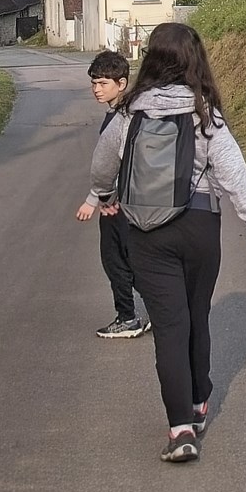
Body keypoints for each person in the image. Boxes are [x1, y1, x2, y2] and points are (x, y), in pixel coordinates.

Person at [75, 20, 246, 462]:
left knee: (169, 327)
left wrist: (104, 195)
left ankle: (180, 429)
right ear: (193, 59)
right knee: (197, 314)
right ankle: (200, 399)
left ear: (150, 59)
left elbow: (102, 164)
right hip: (200, 226)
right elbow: (234, 175)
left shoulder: (130, 111)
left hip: (147, 232)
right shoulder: (205, 112)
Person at [85, 50, 148, 340]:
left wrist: (104, 198)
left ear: (122, 83)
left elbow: (117, 163)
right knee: (131, 260)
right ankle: (162, 310)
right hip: (128, 200)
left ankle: (128, 318)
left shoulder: (123, 116)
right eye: (94, 84)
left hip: (119, 203)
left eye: (103, 84)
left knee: (116, 261)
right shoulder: (125, 112)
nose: (97, 90)